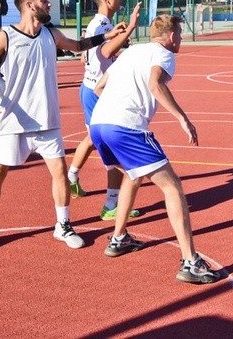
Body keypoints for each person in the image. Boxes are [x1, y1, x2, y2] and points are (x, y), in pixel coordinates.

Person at [0, 0, 128, 255]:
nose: (50, 4)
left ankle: (63, 225)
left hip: (47, 121)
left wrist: (106, 35)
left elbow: (78, 46)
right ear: (30, 5)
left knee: (59, 174)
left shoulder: (50, 34)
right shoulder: (6, 36)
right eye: (45, 1)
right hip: (11, 121)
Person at [89, 14, 222, 285]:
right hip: (125, 127)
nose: (181, 39)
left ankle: (118, 239)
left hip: (99, 124)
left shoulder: (132, 51)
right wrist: (182, 118)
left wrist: (116, 106)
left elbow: (99, 87)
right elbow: (154, 83)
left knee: (133, 176)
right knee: (172, 187)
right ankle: (190, 262)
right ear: (171, 36)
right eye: (181, 34)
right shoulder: (164, 54)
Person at [67, 0, 142, 221]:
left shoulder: (101, 24)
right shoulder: (100, 23)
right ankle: (111, 205)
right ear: (106, 0)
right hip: (96, 93)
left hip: (91, 89)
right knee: (114, 147)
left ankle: (70, 179)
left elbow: (90, 57)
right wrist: (130, 28)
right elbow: (106, 52)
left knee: (92, 139)